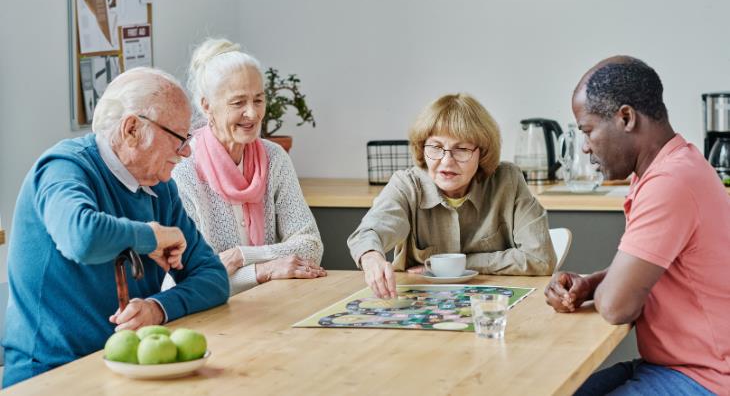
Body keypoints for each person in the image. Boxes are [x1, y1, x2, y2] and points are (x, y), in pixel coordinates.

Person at [2, 68, 229, 387]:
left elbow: (213, 277)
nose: (187, 150)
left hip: (129, 369)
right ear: (132, 128)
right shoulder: (64, 168)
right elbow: (82, 238)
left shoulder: (158, 187)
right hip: (50, 375)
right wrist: (151, 237)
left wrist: (157, 308)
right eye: (179, 138)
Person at [544, 56, 730, 395]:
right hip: (675, 365)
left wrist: (607, 288)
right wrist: (591, 283)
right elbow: (660, 270)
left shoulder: (670, 182)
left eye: (587, 130)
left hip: (707, 377)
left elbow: (617, 307)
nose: (585, 147)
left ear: (626, 118)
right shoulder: (669, 167)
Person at [348, 93, 556, 299]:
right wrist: (371, 258)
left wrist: (457, 265)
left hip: (492, 306)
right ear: (422, 147)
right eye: (436, 147)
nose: (446, 161)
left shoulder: (508, 181)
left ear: (482, 154)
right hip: (421, 305)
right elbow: (368, 233)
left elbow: (540, 258)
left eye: (461, 149)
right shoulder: (407, 185)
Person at [171, 38, 325, 296]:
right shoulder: (184, 169)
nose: (252, 114)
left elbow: (310, 246)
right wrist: (264, 270)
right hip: (208, 312)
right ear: (207, 105)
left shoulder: (274, 157)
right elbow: (191, 278)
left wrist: (240, 257)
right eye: (238, 103)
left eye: (258, 100)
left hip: (271, 304)